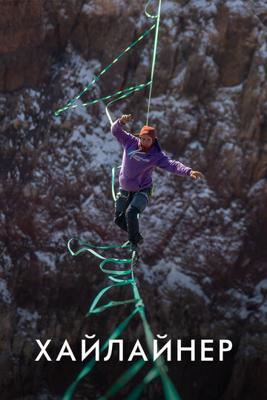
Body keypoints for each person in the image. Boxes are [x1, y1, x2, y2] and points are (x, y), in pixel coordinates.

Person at [111, 114, 204, 251]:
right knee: (119, 219)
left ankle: (134, 243)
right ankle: (136, 235)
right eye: (143, 138)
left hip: (143, 189)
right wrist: (120, 121)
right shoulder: (130, 141)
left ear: (154, 140)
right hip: (125, 189)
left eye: (148, 140)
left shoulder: (156, 155)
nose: (144, 142)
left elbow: (172, 165)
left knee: (131, 212)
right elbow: (115, 131)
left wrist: (189, 172)